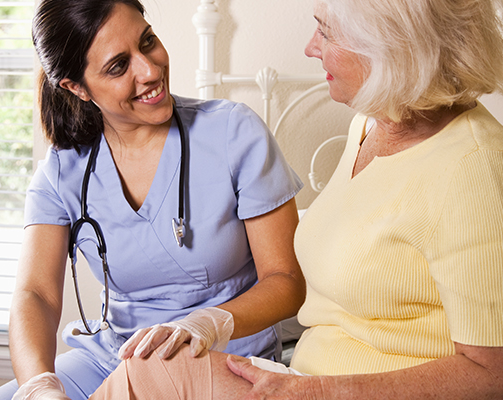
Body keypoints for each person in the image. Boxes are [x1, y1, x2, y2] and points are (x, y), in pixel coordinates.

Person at [86, 0, 503, 398]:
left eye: (326, 32)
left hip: (333, 390)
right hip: (302, 378)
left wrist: (315, 392)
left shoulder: (472, 168)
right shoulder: (371, 125)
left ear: (390, 46)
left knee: (146, 379)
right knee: (152, 369)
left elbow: (493, 375)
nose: (310, 47)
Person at [0, 0, 306, 399]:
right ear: (76, 87)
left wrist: (207, 323)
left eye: (148, 41)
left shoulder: (232, 133)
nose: (150, 71)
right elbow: (36, 295)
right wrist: (38, 385)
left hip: (221, 356)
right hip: (111, 358)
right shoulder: (63, 171)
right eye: (118, 66)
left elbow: (286, 281)